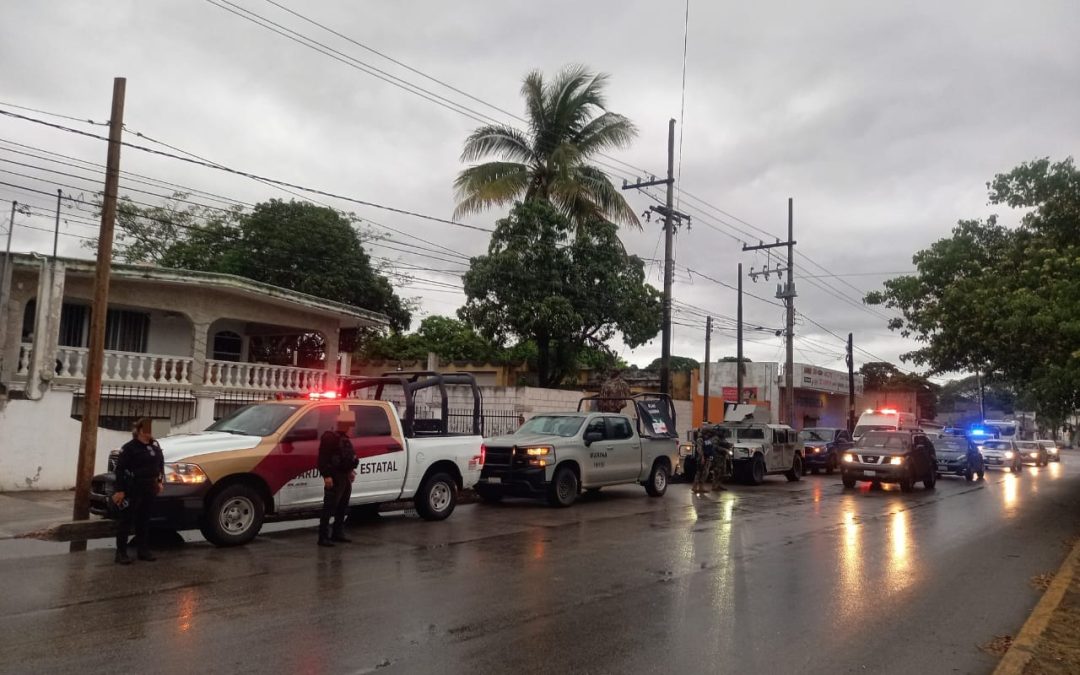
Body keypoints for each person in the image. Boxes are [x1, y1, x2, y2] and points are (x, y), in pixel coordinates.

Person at [111, 417, 164, 564]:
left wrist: (159, 481)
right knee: (126, 521)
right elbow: (120, 470)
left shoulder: (154, 447)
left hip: (149, 487)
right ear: (140, 430)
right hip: (132, 487)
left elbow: (160, 465)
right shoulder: (129, 448)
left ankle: (143, 550)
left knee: (144, 520)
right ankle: (121, 553)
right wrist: (120, 490)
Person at [318, 407, 359, 547]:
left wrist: (350, 471)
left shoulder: (343, 438)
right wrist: (327, 476)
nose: (351, 429)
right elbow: (322, 459)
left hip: (344, 476)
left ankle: (337, 533)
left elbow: (345, 458)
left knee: (342, 506)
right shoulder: (330, 437)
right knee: (329, 507)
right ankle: (323, 537)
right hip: (334, 476)